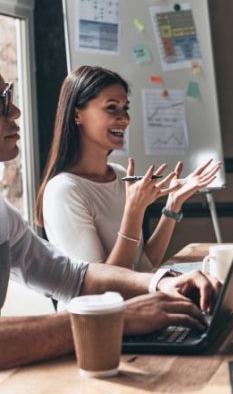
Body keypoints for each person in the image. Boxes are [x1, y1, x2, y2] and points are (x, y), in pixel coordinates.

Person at [0, 72, 221, 369]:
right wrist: (112, 318)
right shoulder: (63, 188)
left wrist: (163, 283)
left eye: (10, 98)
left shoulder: (3, 214)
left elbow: (73, 276)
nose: (15, 111)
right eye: (2, 102)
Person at [35, 66, 221, 271]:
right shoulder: (64, 190)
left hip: (138, 301)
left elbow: (142, 266)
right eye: (112, 107)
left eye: (125, 108)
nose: (124, 118)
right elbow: (101, 286)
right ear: (77, 115)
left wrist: (173, 204)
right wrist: (133, 212)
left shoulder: (121, 175)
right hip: (106, 304)